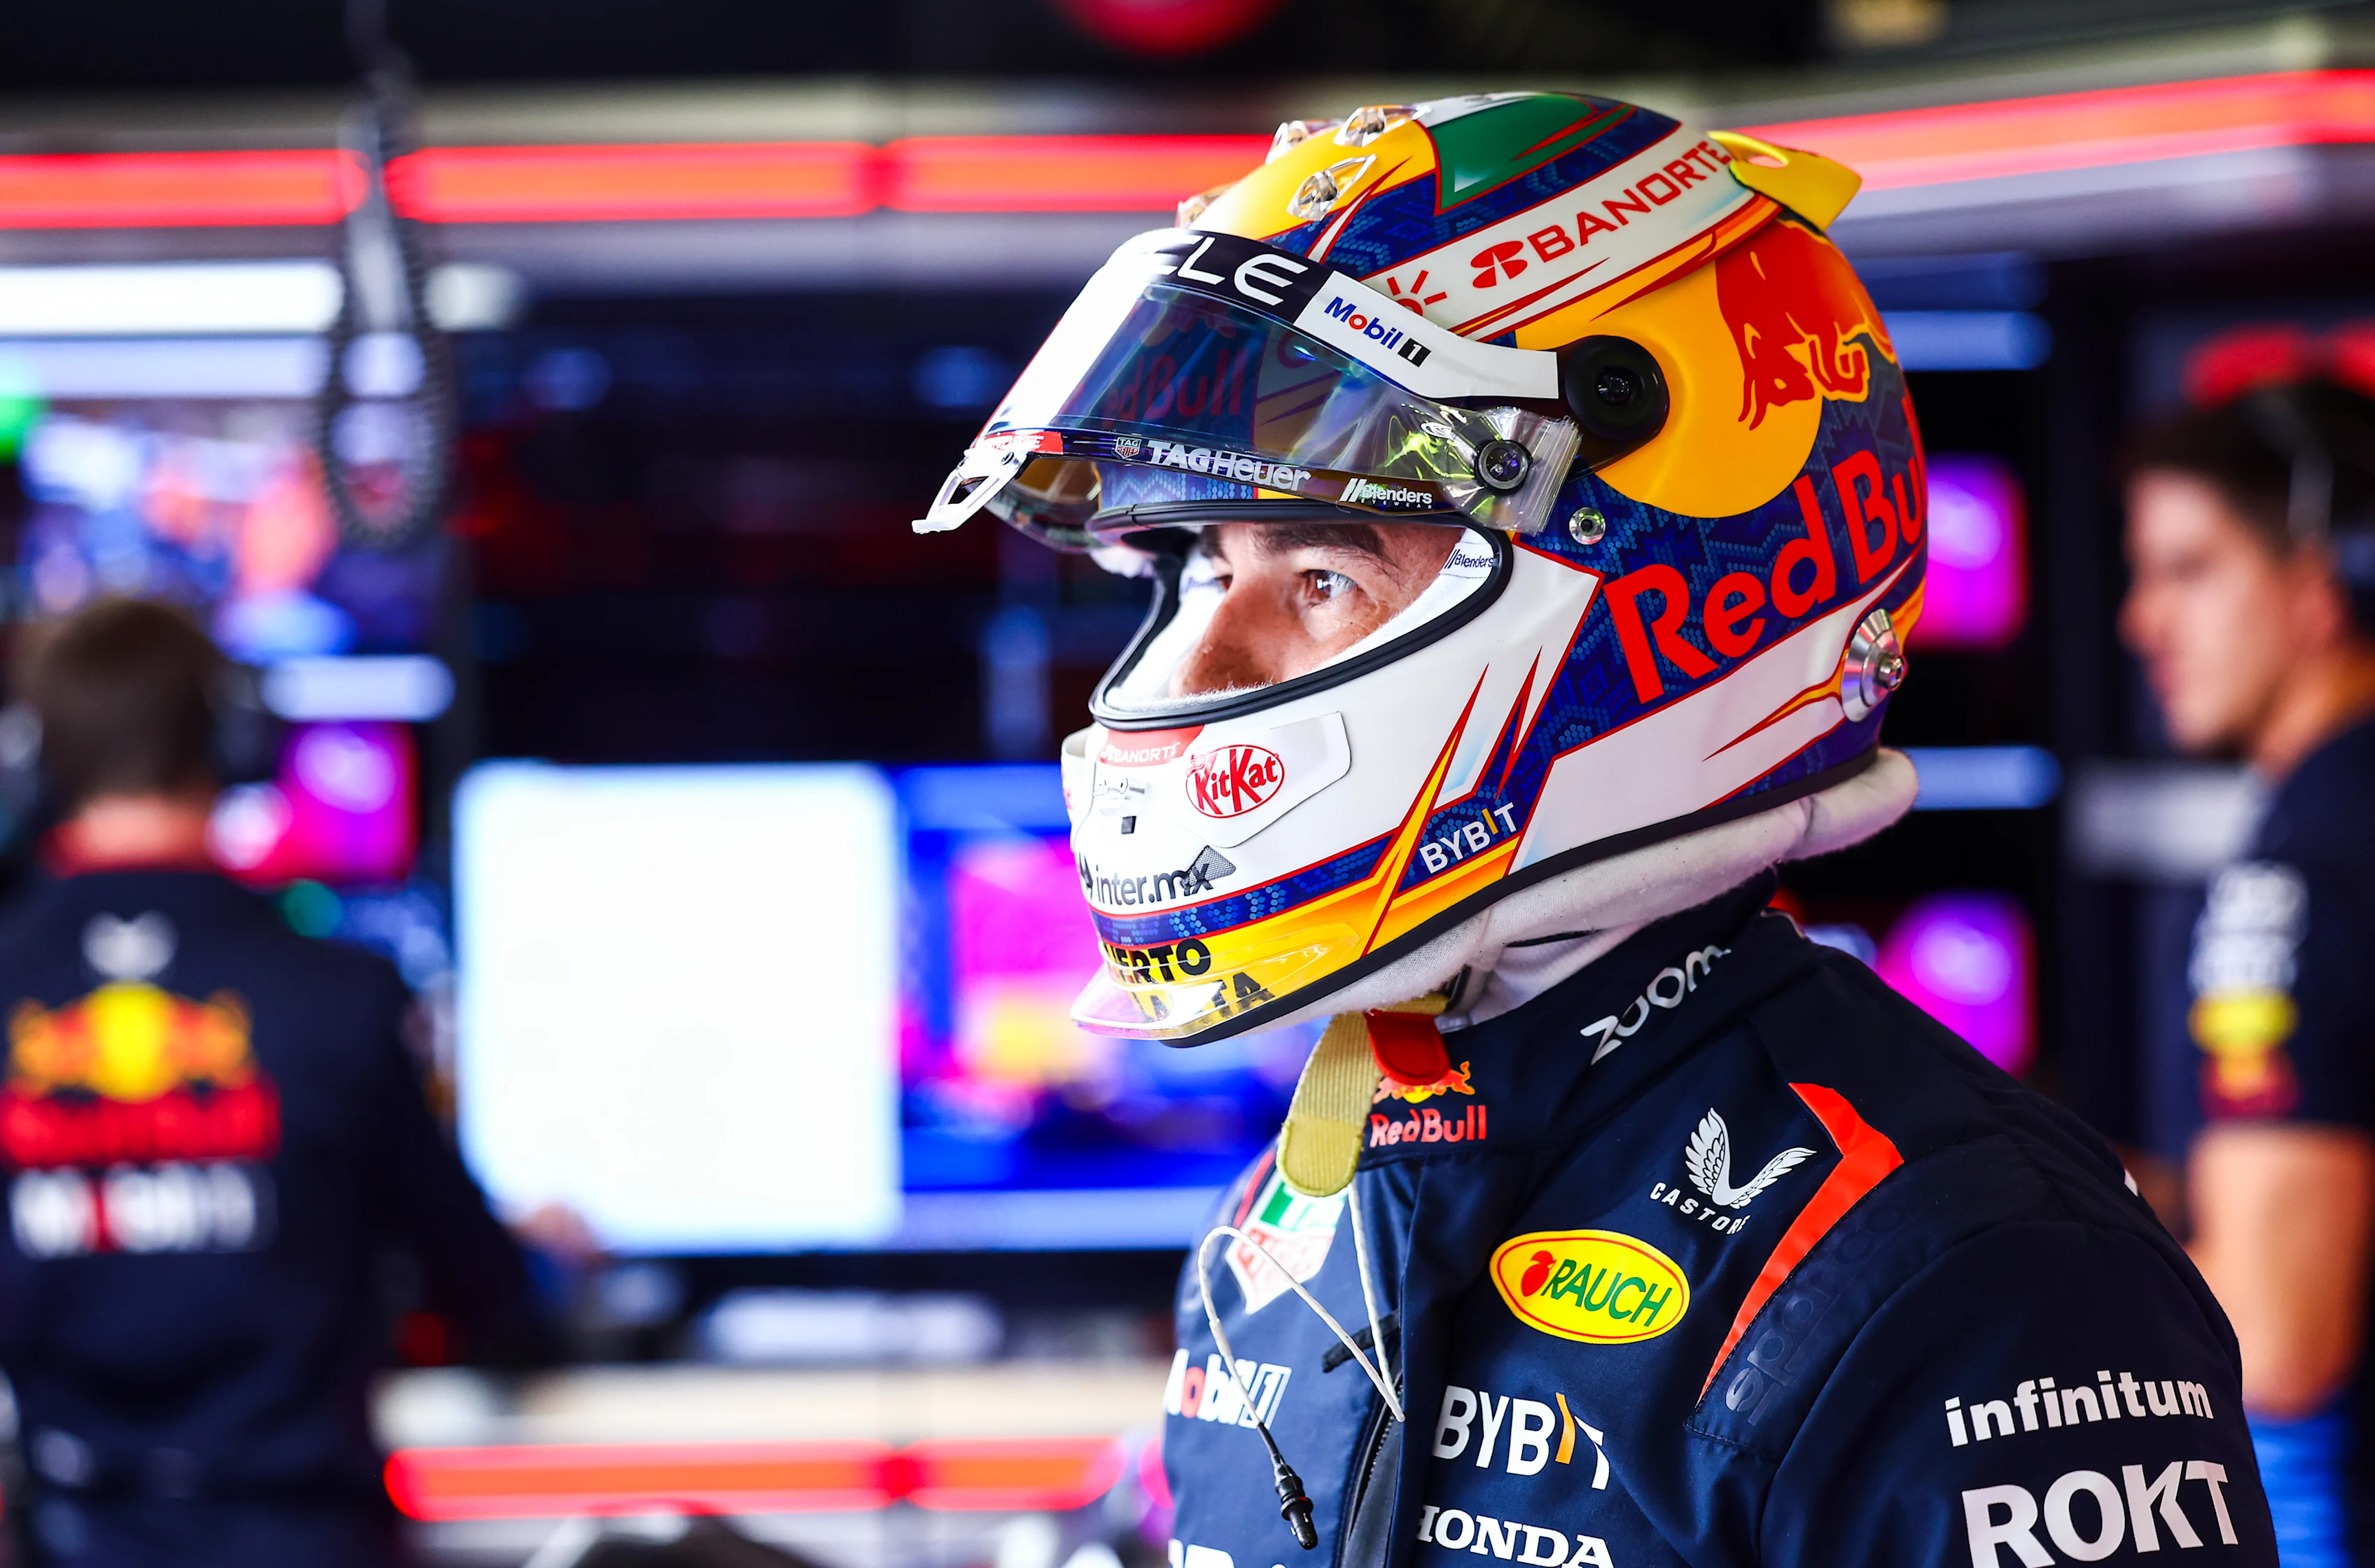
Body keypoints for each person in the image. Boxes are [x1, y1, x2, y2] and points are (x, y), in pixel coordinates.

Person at [921, 93, 2278, 1565]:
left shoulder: (1974, 1279)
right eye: (1194, 573)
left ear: (1645, 573)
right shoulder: (1284, 1224)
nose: (1195, 676)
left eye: (1318, 574)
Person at [0, 598, 550, 1567]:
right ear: (233, 743)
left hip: (72, 1538)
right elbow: (488, 1298)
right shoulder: (339, 997)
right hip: (305, 1537)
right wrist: (552, 1263)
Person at [2122, 375, 2375, 1564]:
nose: (2143, 620)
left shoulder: (2297, 871)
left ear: (2328, 578)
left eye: (2191, 568)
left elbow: (2276, 1341)